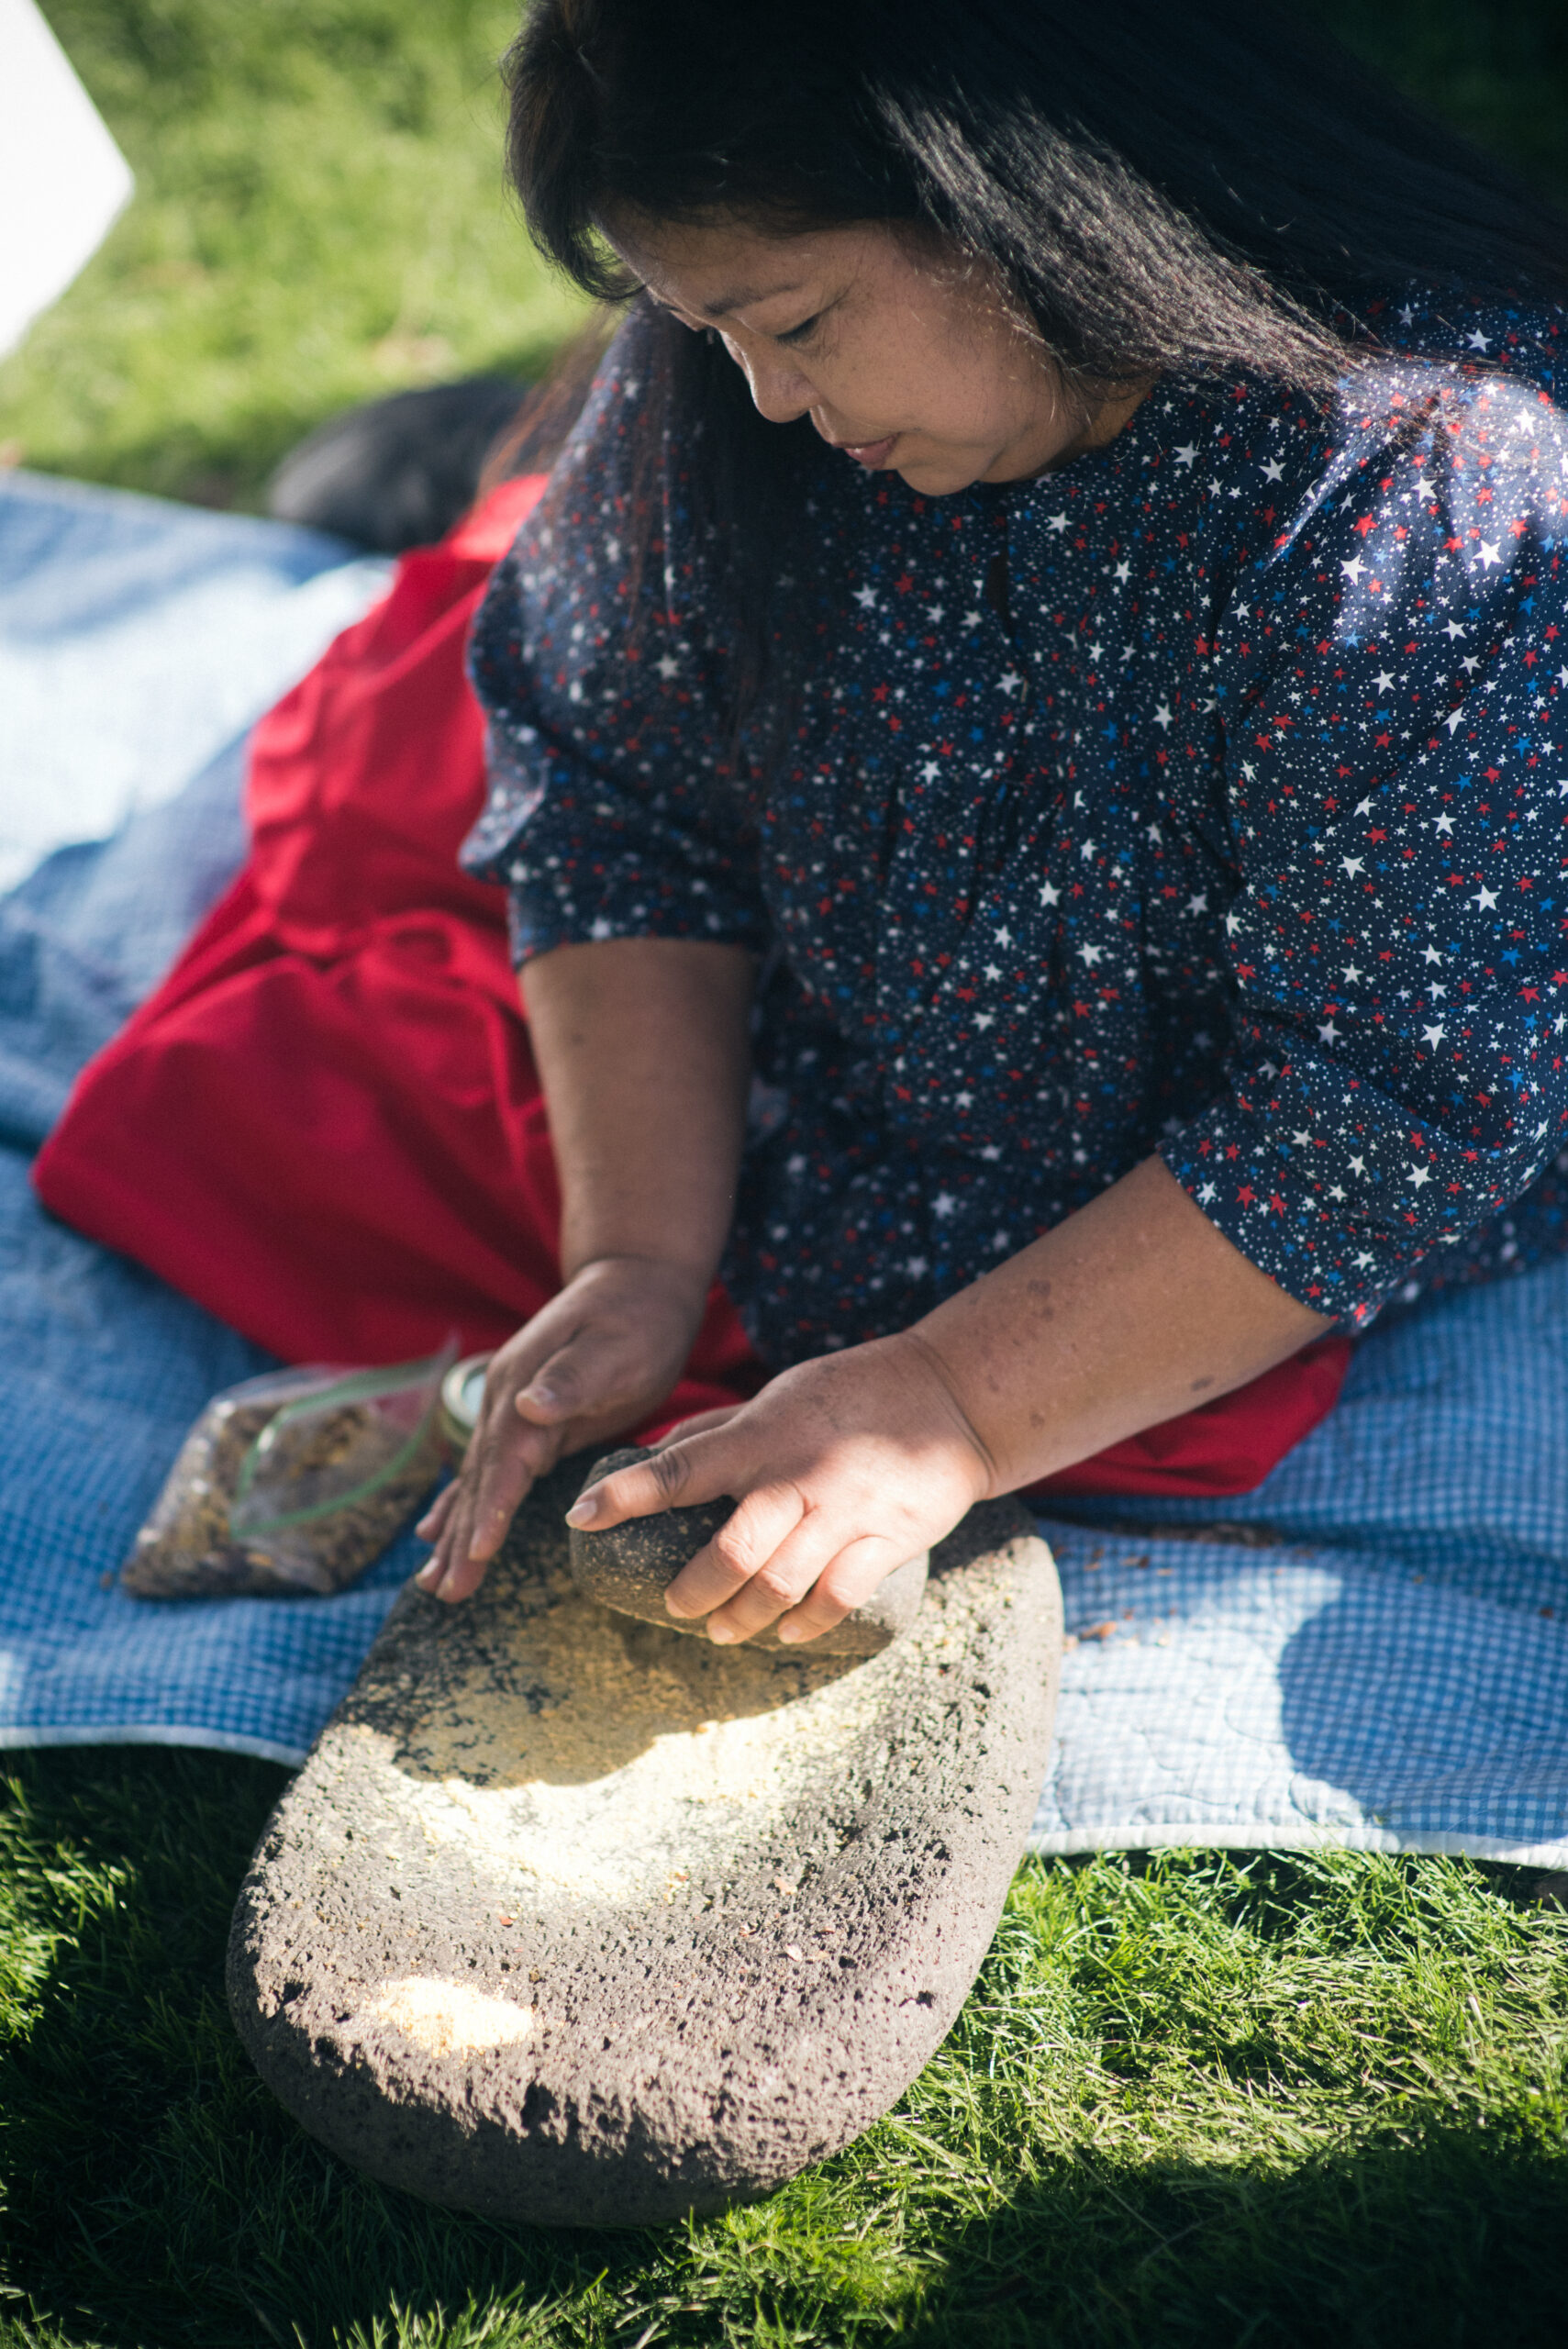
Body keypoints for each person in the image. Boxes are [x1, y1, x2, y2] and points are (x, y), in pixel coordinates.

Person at [416, 0, 1568, 1645]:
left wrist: (944, 1408)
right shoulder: (739, 385)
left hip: (1202, 1246)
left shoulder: (1434, 483)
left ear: (1018, 200)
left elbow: (1392, 1099)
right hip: (833, 1129)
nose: (755, 397)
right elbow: (616, 787)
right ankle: (436, 475)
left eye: (797, 321)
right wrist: (637, 1261)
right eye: (706, 329)